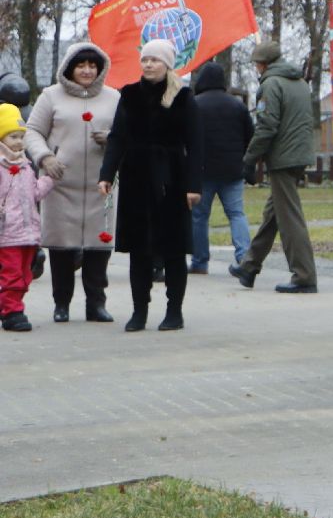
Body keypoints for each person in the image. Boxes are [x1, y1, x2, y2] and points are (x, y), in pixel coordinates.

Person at [98, 38, 203, 332]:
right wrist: (106, 175)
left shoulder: (183, 96)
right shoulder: (129, 94)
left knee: (173, 248)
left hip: (172, 179)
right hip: (136, 178)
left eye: (154, 60)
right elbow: (117, 137)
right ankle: (139, 311)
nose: (148, 64)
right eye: (144, 59)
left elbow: (196, 144)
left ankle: (174, 311)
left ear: (167, 64)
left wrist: (194, 185)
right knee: (139, 249)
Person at [24, 43, 119, 323]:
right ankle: (61, 304)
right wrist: (44, 158)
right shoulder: (51, 96)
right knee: (61, 248)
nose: (87, 71)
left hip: (101, 186)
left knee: (98, 247)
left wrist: (112, 140)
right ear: (69, 69)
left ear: (100, 69)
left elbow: (127, 135)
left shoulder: (114, 98)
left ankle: (96, 304)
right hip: (60, 183)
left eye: (92, 66)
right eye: (81, 66)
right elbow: (32, 132)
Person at [234, 40, 318, 294]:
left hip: (283, 158)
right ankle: (249, 266)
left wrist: (249, 159)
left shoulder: (271, 85)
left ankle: (304, 276)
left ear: (263, 64)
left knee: (289, 218)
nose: (257, 69)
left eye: (257, 64)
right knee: (274, 214)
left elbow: (267, 126)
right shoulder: (299, 82)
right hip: (299, 154)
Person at [187, 61, 254, 275]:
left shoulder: (194, 104)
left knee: (199, 217)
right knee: (236, 214)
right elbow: (249, 137)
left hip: (202, 170)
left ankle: (200, 261)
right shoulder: (237, 106)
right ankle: (244, 258)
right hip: (232, 170)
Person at [0, 103, 52, 331]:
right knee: (12, 274)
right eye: (13, 137)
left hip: (28, 233)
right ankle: (12, 311)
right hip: (7, 233)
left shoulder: (25, 166)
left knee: (25, 274)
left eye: (21, 137)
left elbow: (35, 193)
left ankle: (10, 304)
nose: (19, 142)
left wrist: (50, 179)